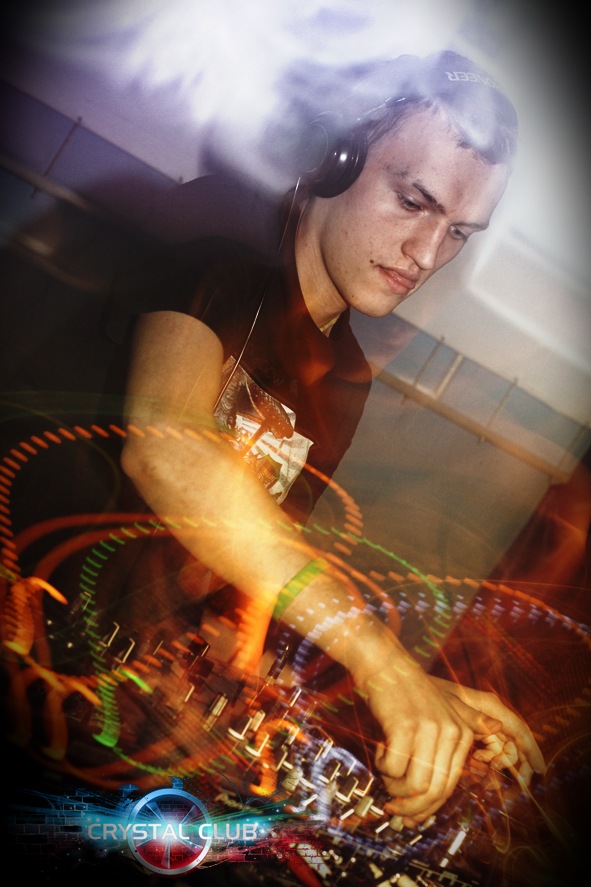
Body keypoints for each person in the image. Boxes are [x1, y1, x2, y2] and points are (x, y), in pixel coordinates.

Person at [114, 49, 546, 829]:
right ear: (333, 158)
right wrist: (378, 660)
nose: (427, 255)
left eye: (457, 233)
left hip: (123, 704)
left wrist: (405, 696)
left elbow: (246, 584)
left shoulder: (344, 377)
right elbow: (165, 446)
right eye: (412, 200)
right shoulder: (216, 236)